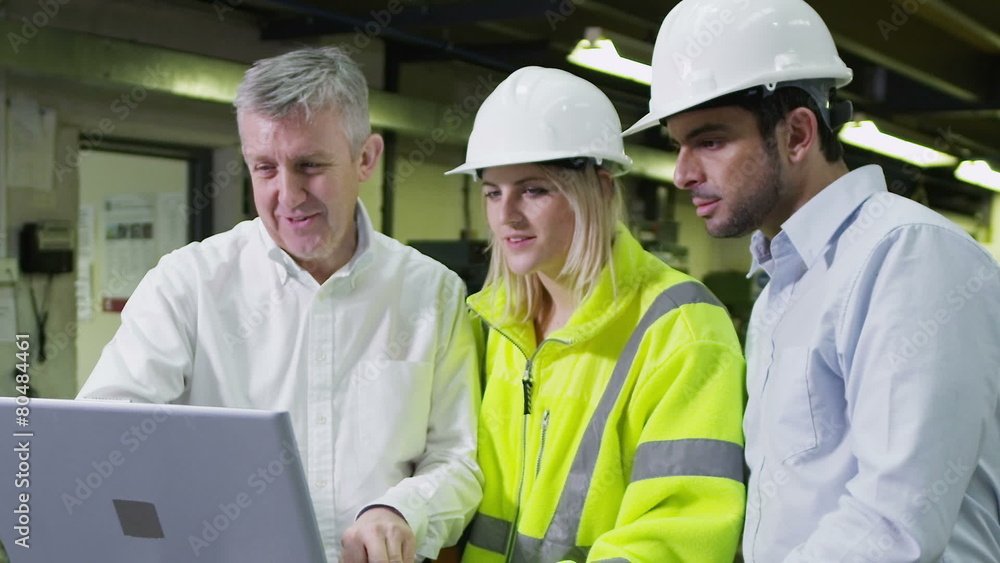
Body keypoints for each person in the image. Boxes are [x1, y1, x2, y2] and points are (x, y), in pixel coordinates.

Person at [624, 0, 1000, 561]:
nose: (682, 174)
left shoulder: (905, 255)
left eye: (709, 141)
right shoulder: (784, 280)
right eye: (678, 146)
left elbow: (894, 523)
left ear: (798, 133)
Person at [77, 46, 483, 563]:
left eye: (310, 165)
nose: (287, 196)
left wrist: (401, 510)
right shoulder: (188, 284)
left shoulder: (432, 292)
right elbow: (104, 431)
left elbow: (458, 456)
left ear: (366, 158)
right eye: (264, 167)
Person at [445, 66, 746, 562]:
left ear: (602, 189)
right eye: (492, 192)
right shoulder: (489, 325)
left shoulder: (682, 329)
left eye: (534, 189)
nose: (506, 214)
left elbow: (676, 533)